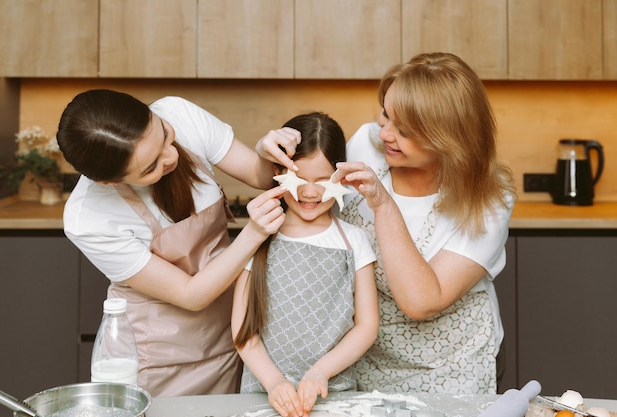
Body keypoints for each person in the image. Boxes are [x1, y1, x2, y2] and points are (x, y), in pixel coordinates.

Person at [56, 89, 301, 397]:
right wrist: (253, 233)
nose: (171, 156)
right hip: (155, 358)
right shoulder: (89, 217)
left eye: (165, 135)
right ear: (109, 181)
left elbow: (260, 175)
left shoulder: (179, 112)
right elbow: (190, 294)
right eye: (150, 167)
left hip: (228, 335)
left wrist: (268, 151)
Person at [334, 52, 517, 394]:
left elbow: (422, 300)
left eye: (404, 130)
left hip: (454, 364)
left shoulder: (488, 200)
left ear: (449, 137)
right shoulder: (365, 144)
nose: (385, 134)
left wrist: (384, 205)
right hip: (365, 351)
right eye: (386, 115)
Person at [232, 112, 379, 417]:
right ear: (278, 171)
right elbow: (243, 331)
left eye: (324, 182)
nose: (310, 192)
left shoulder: (354, 241)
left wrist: (320, 373)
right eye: (299, 179)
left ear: (343, 177)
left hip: (333, 396)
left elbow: (367, 326)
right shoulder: (258, 234)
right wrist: (274, 383)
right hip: (264, 395)